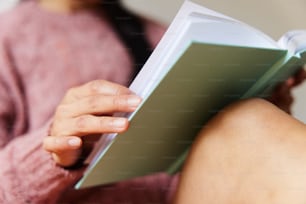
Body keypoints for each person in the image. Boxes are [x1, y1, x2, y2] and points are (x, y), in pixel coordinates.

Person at [0, 0, 305, 204]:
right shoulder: (8, 38)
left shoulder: (164, 35)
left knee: (249, 118)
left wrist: (266, 93)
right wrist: (54, 152)